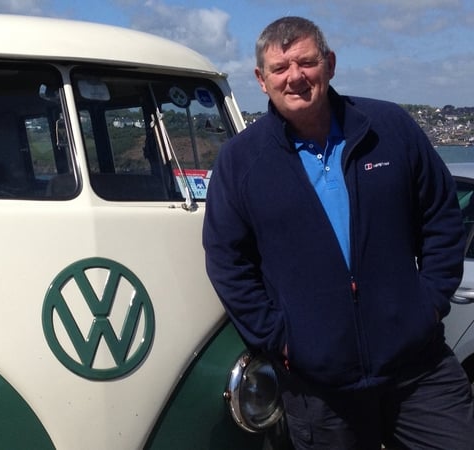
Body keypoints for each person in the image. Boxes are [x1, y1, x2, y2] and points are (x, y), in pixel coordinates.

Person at [203, 16, 474, 449]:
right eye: (280, 68)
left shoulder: (389, 129)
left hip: (418, 367)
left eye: (306, 62)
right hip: (319, 387)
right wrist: (282, 340)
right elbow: (226, 260)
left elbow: (441, 215)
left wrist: (430, 305)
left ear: (329, 63)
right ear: (260, 79)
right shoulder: (241, 162)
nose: (295, 77)